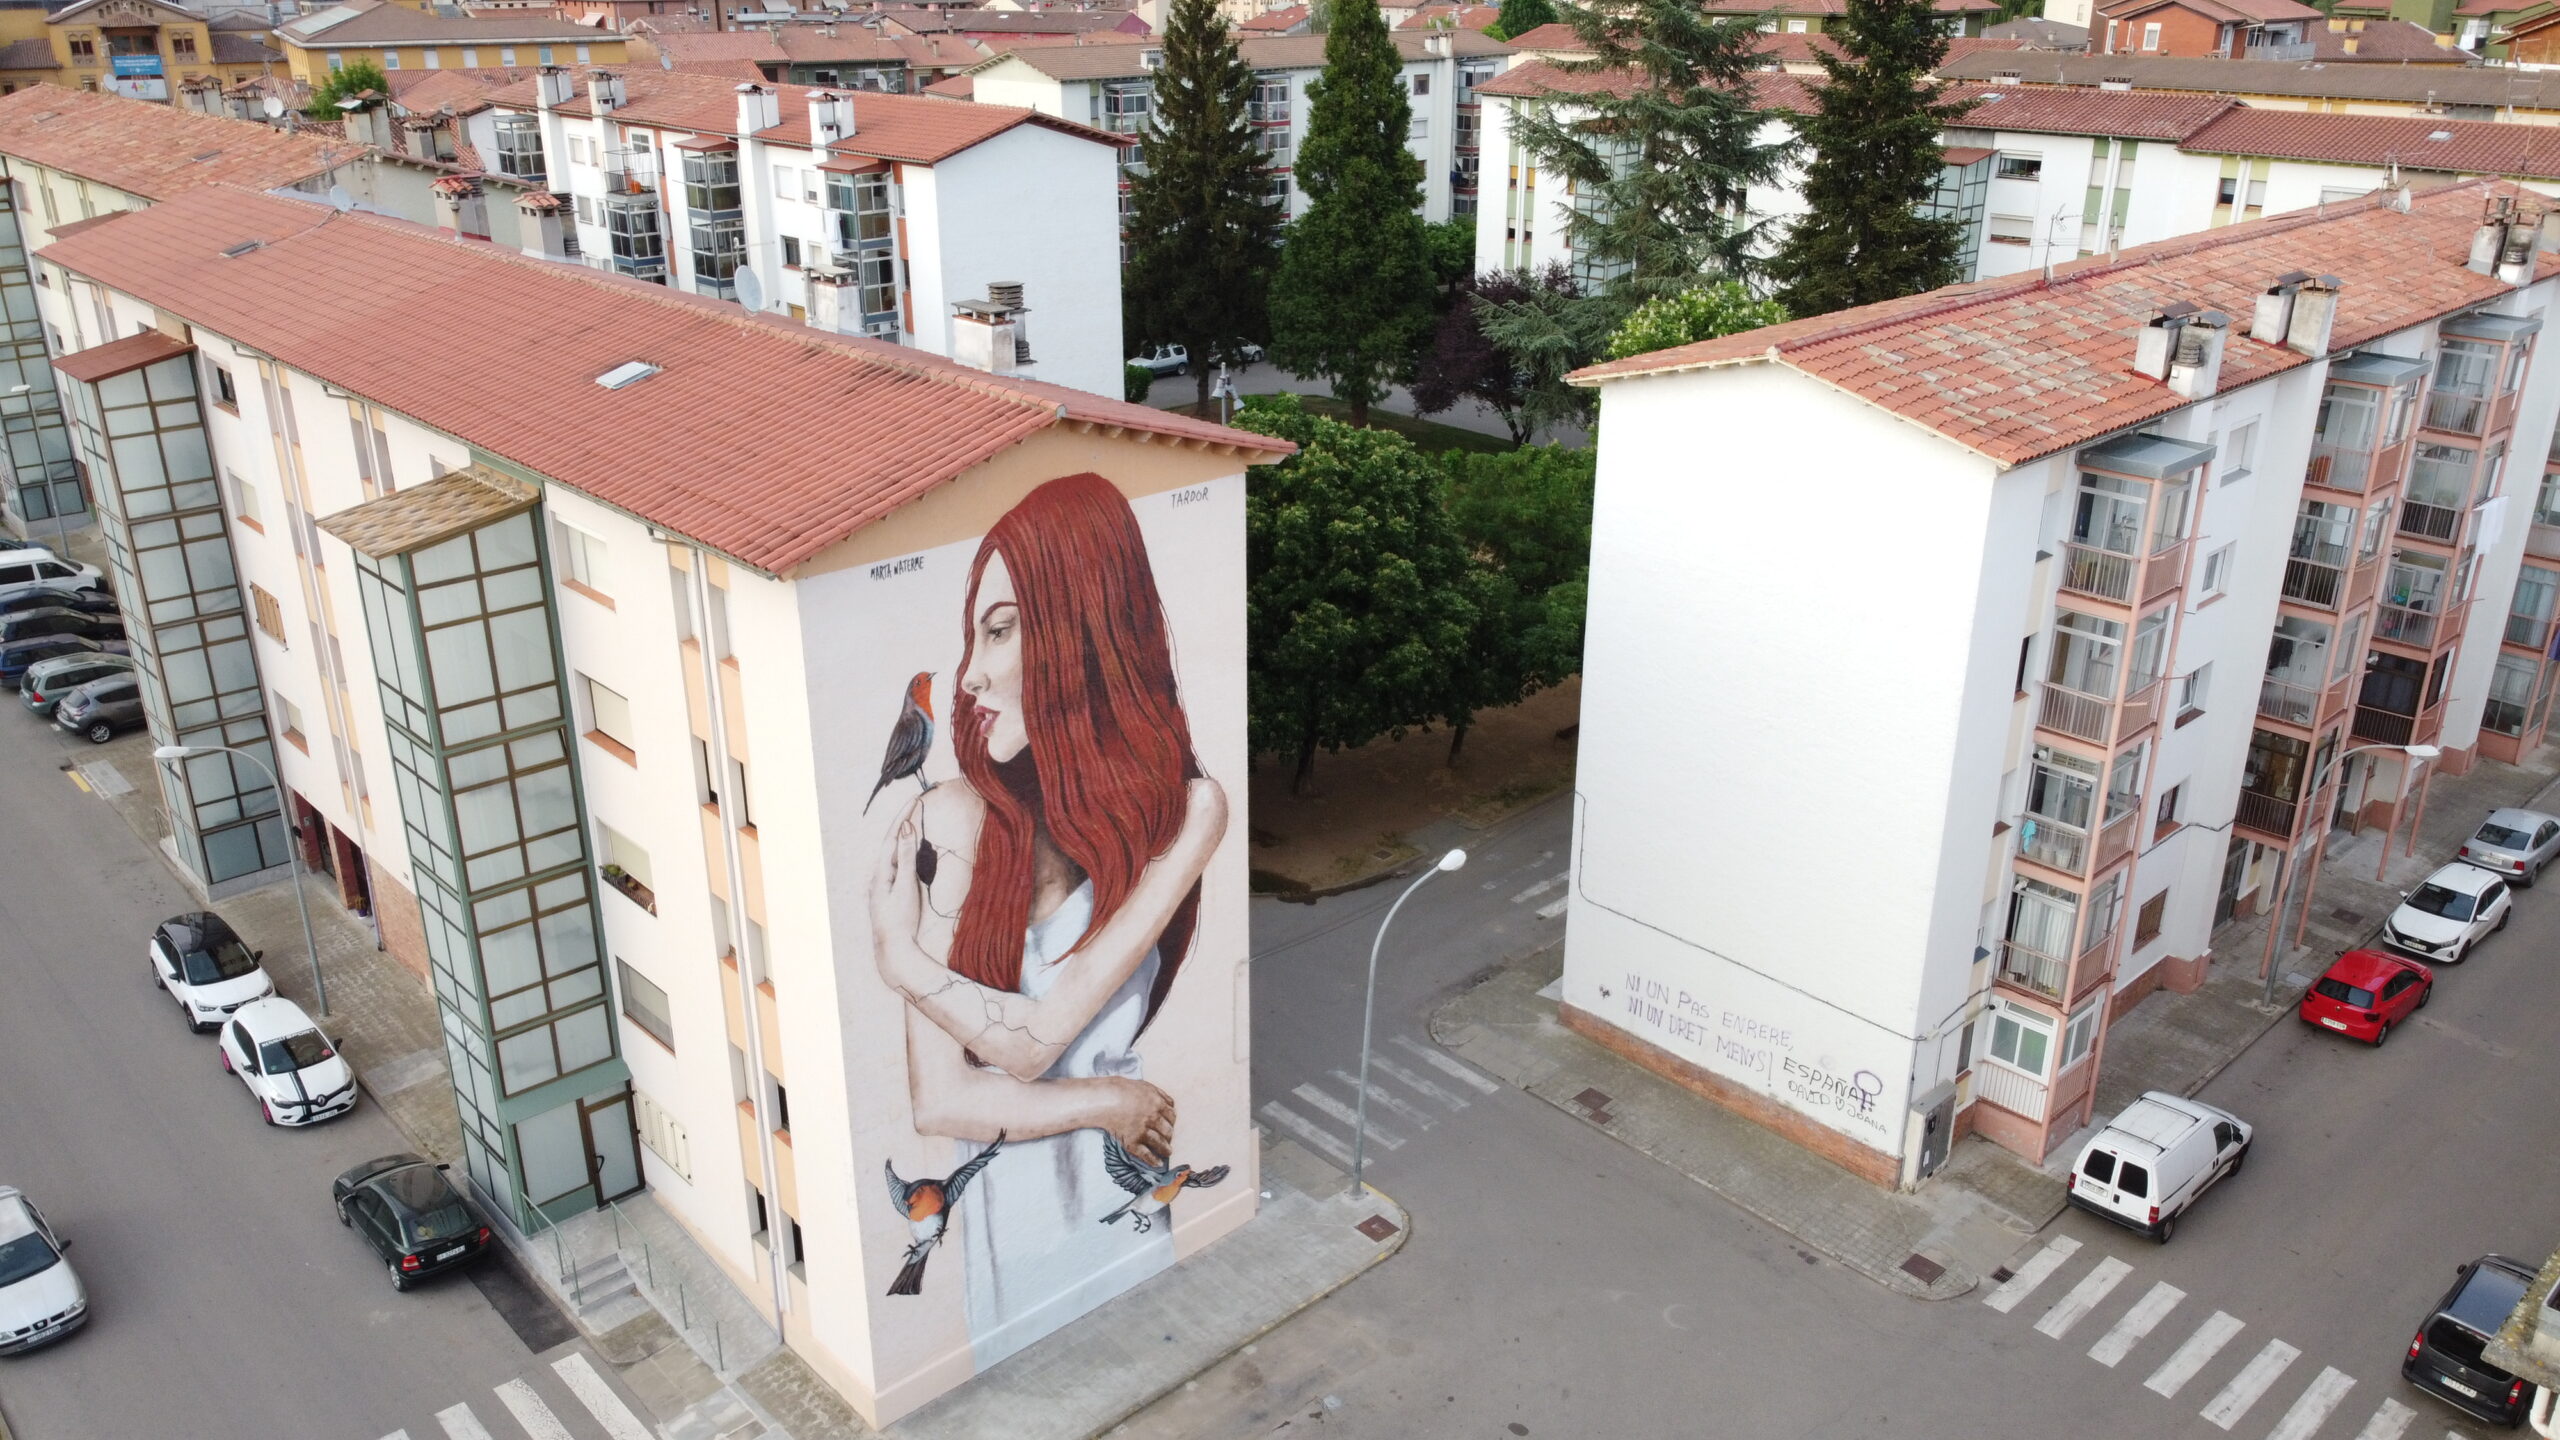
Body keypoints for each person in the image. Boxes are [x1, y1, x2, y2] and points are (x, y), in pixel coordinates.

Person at [869, 472, 1228, 1367]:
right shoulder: (952, 820)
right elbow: (941, 1098)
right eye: (973, 636)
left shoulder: (1186, 811)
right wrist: (1111, 1097)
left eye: (1000, 630)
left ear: (1083, 624)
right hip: (1011, 1255)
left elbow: (1030, 1044)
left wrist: (904, 959)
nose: (971, 673)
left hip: (1124, 1234)